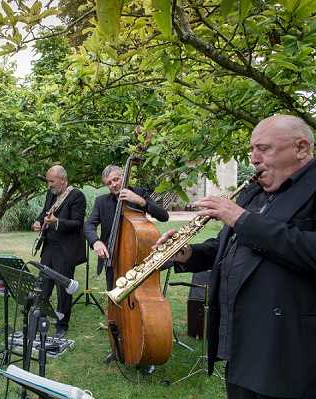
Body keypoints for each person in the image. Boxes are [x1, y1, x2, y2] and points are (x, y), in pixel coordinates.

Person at [155, 115, 316, 399]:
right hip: (241, 343)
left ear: (301, 148)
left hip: (291, 355)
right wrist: (188, 253)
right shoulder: (255, 192)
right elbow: (227, 245)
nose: (253, 159)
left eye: (263, 149)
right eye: (251, 149)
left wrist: (241, 219)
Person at [84, 164, 169, 290]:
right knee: (113, 294)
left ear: (123, 177)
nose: (113, 184)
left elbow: (164, 216)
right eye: (109, 183)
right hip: (112, 259)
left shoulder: (139, 193)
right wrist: (96, 242)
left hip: (137, 258)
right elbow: (88, 225)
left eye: (116, 179)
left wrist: (140, 201)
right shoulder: (101, 202)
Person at [32, 165, 86, 338]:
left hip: (65, 250)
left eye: (52, 181)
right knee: (43, 284)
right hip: (49, 247)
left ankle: (62, 325)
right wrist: (38, 222)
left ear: (63, 180)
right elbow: (44, 213)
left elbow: (78, 223)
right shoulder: (51, 194)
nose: (49, 185)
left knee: (63, 289)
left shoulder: (77, 196)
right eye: (48, 181)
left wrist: (57, 222)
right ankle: (39, 316)